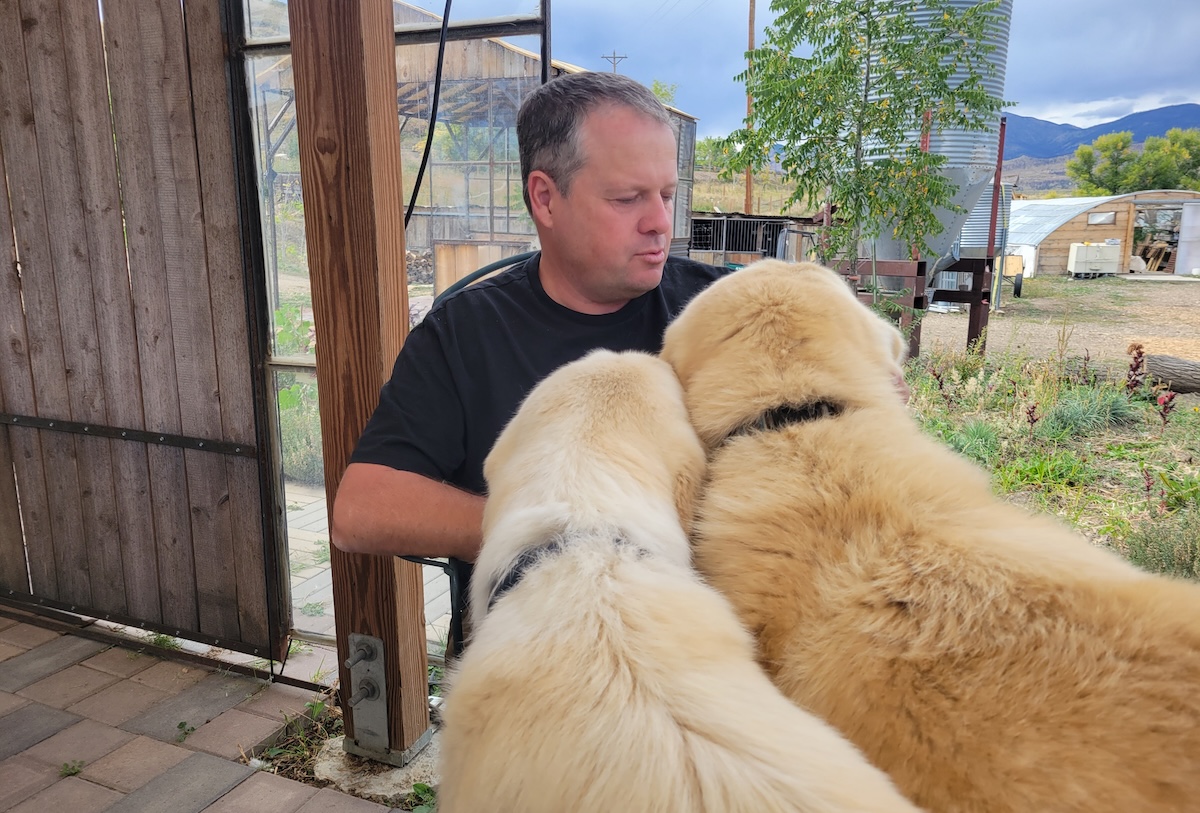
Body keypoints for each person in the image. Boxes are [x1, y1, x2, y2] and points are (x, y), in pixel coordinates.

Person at [330, 71, 729, 645]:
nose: (660, 223)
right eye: (627, 198)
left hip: (697, 661)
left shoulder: (718, 311)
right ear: (545, 197)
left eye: (667, 195)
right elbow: (361, 510)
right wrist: (560, 534)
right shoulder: (467, 334)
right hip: (532, 668)